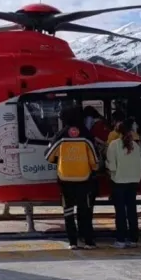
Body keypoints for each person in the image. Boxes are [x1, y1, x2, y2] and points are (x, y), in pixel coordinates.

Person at [45, 107, 100, 250]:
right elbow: (94, 159)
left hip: (65, 180)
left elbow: (48, 156)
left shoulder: (61, 135)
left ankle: (73, 242)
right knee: (85, 211)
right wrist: (92, 169)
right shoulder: (86, 135)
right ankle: (89, 241)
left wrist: (60, 160)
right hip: (84, 180)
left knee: (68, 212)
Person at [106, 118, 141, 249]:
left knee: (120, 212)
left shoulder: (114, 145)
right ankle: (134, 239)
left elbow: (111, 166)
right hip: (134, 181)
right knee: (132, 210)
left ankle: (120, 239)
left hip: (119, 182)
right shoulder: (136, 145)